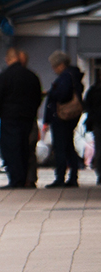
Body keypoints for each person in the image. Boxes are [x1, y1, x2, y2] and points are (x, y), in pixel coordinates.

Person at [0, 45, 44, 189]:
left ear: (8, 59)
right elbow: (38, 98)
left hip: (9, 119)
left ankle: (15, 180)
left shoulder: (4, 77)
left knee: (10, 149)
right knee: (24, 149)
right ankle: (24, 178)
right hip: (27, 118)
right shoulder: (32, 76)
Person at [43, 51, 84, 188]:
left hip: (61, 116)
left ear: (60, 64)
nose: (54, 69)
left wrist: (51, 93)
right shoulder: (73, 75)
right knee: (69, 147)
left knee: (61, 147)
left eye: (55, 66)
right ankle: (72, 176)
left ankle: (60, 177)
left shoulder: (65, 77)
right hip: (70, 116)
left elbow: (62, 94)